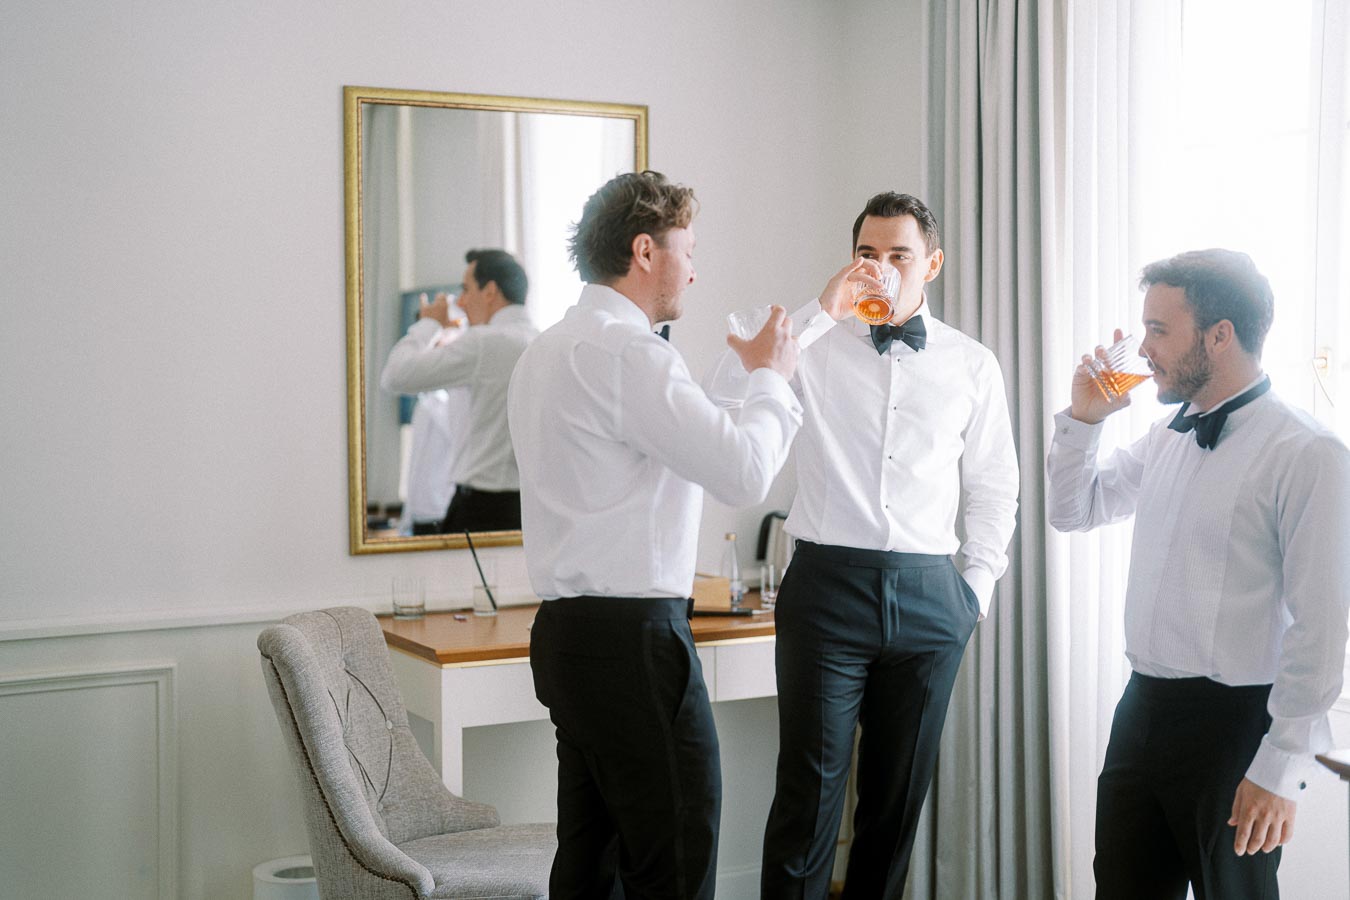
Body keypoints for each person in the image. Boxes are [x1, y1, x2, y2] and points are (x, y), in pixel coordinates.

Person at [704, 191, 1019, 896]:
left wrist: (975, 592)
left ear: (931, 264)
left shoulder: (972, 365)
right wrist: (820, 312)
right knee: (808, 800)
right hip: (826, 591)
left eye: (898, 256)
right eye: (866, 256)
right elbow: (723, 398)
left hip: (933, 597)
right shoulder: (808, 344)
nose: (879, 270)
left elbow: (997, 486)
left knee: (893, 807)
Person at [507, 170, 802, 899]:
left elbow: (669, 440)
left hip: (568, 638)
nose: (695, 270)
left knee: (590, 860)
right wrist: (771, 378)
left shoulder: (545, 353)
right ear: (646, 250)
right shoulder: (632, 355)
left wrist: (739, 376)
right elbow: (742, 473)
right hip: (636, 646)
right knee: (675, 851)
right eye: (689, 249)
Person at [1046, 248, 1350, 899]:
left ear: (1219, 335)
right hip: (1142, 710)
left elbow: (1321, 632)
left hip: (1236, 727)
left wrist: (1282, 769)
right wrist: (1086, 420)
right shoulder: (1165, 437)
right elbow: (1073, 511)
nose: (1142, 349)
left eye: (1159, 330)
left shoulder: (1309, 454)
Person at [381, 248, 537, 532]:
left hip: (482, 510)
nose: (462, 302)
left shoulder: (483, 343)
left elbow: (394, 376)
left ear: (490, 291)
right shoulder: (543, 342)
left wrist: (429, 323)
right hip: (533, 510)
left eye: (466, 289)